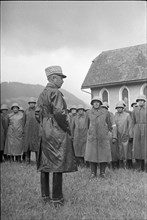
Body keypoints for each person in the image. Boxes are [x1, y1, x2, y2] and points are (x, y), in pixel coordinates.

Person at [35, 65, 77, 206]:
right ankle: (57, 199)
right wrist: (66, 128)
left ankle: (45, 196)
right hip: (56, 131)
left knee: (45, 163)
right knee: (58, 163)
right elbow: (60, 113)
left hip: (45, 131)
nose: (62, 81)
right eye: (61, 78)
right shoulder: (56, 93)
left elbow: (37, 114)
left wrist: (45, 123)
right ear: (53, 78)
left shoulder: (42, 93)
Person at [85, 96, 112, 178]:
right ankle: (93, 173)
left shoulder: (105, 112)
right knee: (92, 155)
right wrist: (90, 133)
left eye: (98, 102)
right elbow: (87, 125)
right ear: (92, 103)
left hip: (102, 136)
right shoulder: (89, 113)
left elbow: (109, 124)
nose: (96, 103)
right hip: (92, 136)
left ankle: (102, 173)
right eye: (94, 102)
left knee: (103, 155)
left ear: (100, 103)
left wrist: (106, 133)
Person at [114, 101, 132, 169]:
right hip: (117, 135)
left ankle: (126, 164)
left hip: (125, 135)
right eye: (118, 108)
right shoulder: (115, 115)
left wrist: (130, 135)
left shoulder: (127, 115)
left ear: (123, 108)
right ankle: (119, 164)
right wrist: (114, 135)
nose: (119, 109)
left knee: (126, 150)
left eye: (120, 108)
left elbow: (130, 125)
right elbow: (114, 126)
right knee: (118, 150)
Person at [101, 102, 118, 169]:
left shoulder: (111, 115)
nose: (104, 109)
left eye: (105, 108)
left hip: (109, 134)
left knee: (112, 151)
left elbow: (114, 126)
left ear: (107, 108)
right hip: (101, 135)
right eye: (102, 108)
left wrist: (114, 136)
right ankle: (104, 165)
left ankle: (113, 165)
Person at [132, 95, 147, 172]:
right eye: (139, 100)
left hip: (145, 128)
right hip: (137, 129)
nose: (141, 102)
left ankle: (145, 167)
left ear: (144, 101)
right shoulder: (135, 110)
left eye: (142, 100)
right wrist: (132, 132)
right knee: (138, 148)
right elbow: (133, 121)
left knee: (145, 147)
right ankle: (139, 167)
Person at [23, 97, 39, 163]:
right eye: (30, 103)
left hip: (36, 131)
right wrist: (23, 130)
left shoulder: (38, 111)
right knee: (27, 146)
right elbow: (24, 121)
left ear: (35, 104)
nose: (31, 104)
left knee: (36, 146)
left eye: (33, 103)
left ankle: (38, 161)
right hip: (27, 131)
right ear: (29, 104)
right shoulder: (26, 111)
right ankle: (27, 160)